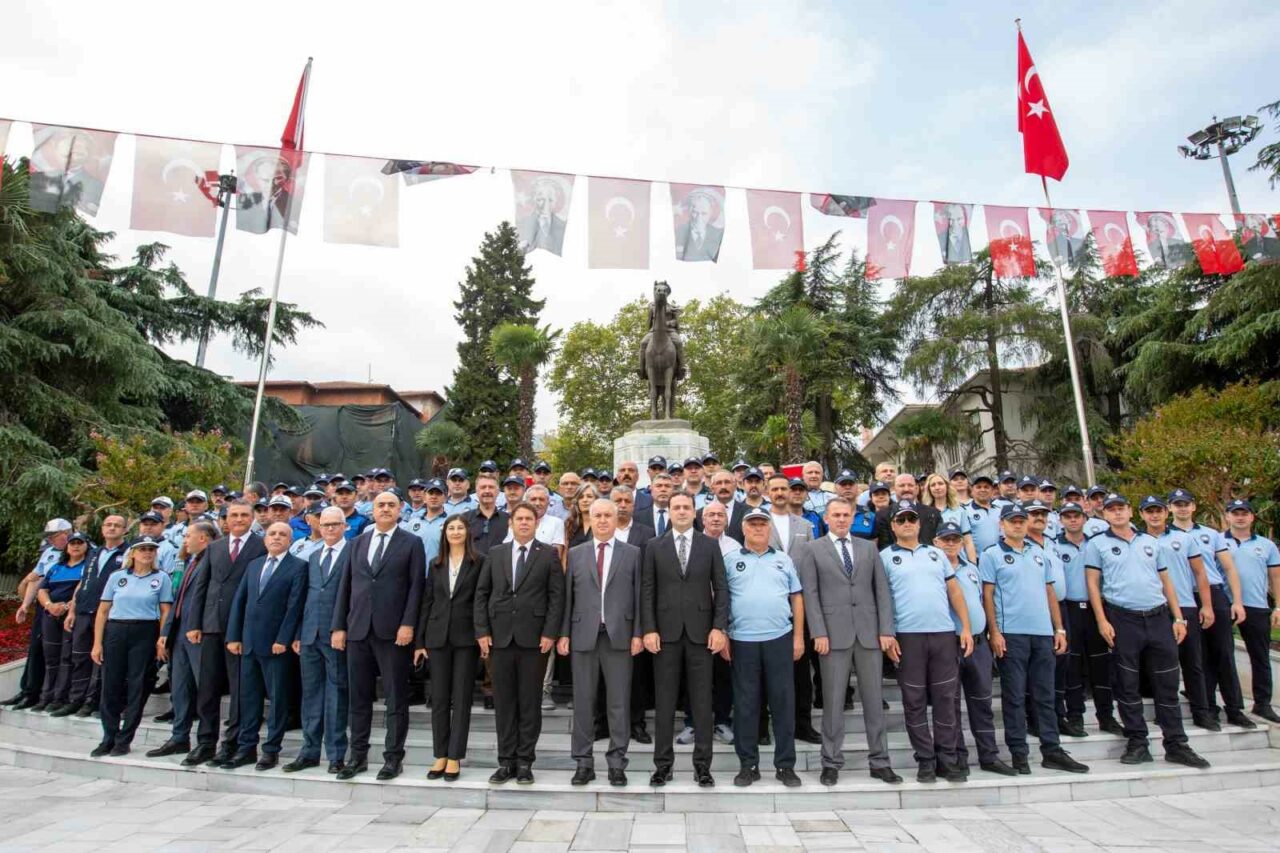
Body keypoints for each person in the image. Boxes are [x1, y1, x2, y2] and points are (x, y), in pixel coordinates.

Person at [1085, 493, 1210, 768]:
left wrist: (1178, 618)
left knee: (1167, 683)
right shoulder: (1097, 544)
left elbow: (1166, 581)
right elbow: (1093, 584)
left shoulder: (1150, 543)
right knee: (1127, 684)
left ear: (1131, 511)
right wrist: (1102, 620)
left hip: (1157, 616)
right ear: (1104, 514)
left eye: (1121, 508)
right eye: (1111, 509)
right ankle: (1137, 741)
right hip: (1122, 617)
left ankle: (1176, 743)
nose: (1117, 513)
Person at [795, 497, 902, 786]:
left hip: (869, 634)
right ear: (826, 518)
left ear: (852, 517)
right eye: (836, 515)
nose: (841, 519)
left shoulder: (868, 548)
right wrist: (818, 632)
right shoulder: (812, 549)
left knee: (874, 702)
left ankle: (880, 761)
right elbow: (810, 594)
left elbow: (882, 591)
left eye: (846, 515)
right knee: (833, 703)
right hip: (832, 635)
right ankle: (831, 762)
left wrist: (886, 629)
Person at [980, 503, 1088, 774]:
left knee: (1045, 695)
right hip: (1011, 634)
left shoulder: (1039, 552)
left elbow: (1049, 591)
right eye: (1012, 521)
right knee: (1015, 696)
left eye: (1021, 520)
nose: (1017, 525)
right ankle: (1019, 753)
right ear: (1002, 525)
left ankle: (1052, 750)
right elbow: (987, 595)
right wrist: (994, 631)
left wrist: (1059, 628)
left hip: (1042, 633)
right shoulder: (992, 554)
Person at [331, 490, 425, 781]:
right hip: (358, 630)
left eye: (390, 505)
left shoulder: (412, 543)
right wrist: (339, 626)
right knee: (358, 698)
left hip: (393, 632)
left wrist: (408, 624)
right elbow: (345, 586)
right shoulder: (357, 543)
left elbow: (416, 588)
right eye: (380, 505)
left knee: (395, 698)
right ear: (372, 509)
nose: (385, 509)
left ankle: (393, 758)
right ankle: (357, 757)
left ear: (399, 509)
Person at [880, 504, 973, 782]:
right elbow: (881, 601)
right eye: (901, 520)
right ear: (893, 526)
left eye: (912, 519)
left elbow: (954, 591)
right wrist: (888, 635)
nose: (907, 523)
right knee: (914, 701)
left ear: (919, 524)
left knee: (946, 699)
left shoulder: (936, 554)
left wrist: (966, 627)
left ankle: (947, 759)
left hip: (943, 634)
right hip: (908, 637)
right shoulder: (885, 557)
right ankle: (925, 760)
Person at [641, 491, 728, 788]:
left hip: (702, 635)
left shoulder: (709, 545)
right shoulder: (654, 545)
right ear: (669, 511)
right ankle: (662, 766)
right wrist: (649, 629)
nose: (681, 511)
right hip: (664, 636)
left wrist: (719, 628)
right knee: (665, 703)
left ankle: (703, 767)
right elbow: (647, 590)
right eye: (676, 507)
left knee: (702, 703)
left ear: (694, 512)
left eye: (686, 507)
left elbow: (722, 588)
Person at [475, 502, 564, 785]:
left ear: (536, 523)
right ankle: (506, 762)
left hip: (534, 640)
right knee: (504, 703)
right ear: (510, 523)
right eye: (519, 518)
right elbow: (482, 594)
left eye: (529, 519)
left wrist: (550, 633)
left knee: (529, 703)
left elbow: (556, 597)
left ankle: (525, 762)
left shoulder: (548, 554)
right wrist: (482, 631)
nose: (524, 522)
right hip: (499, 639)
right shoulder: (496, 553)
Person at [559, 498, 644, 787]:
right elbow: (568, 597)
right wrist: (564, 634)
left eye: (608, 515)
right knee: (583, 702)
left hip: (619, 637)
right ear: (590, 519)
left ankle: (617, 763)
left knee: (618, 703)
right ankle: (583, 763)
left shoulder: (632, 553)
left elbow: (639, 596)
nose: (603, 520)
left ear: (616, 518)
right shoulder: (576, 553)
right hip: (583, 636)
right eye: (598, 516)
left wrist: (638, 633)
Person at [724, 507, 806, 789]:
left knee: (783, 703)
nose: (758, 528)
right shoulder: (730, 560)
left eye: (762, 524)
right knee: (746, 705)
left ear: (769, 528)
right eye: (752, 524)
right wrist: (723, 634)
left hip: (779, 639)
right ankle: (748, 765)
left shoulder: (783, 559)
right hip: (742, 640)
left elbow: (797, 598)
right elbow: (721, 599)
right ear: (743, 529)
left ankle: (785, 765)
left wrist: (798, 637)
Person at [182, 499, 266, 768]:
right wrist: (194, 623)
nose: (239, 520)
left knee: (241, 691)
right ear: (226, 520)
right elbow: (202, 586)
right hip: (211, 627)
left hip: (241, 630)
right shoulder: (215, 547)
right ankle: (205, 743)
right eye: (234, 515)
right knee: (207, 689)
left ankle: (234, 744)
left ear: (252, 518)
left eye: (244, 515)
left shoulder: (260, 546)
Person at [1167, 489, 1254, 729]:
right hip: (1185, 597)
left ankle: (1234, 708)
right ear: (1170, 508)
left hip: (1213, 594)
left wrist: (1236, 601)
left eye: (1186, 504)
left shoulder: (1210, 534)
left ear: (1193, 506)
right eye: (1177, 504)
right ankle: (1207, 707)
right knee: (1196, 657)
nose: (1182, 508)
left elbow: (1229, 568)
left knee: (1224, 653)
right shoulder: (1163, 536)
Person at [224, 522, 307, 770]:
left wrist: (283, 639)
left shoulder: (298, 567)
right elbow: (240, 601)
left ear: (290, 540)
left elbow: (295, 606)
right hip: (248, 644)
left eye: (282, 534)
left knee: (278, 701)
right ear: (265, 539)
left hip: (276, 646)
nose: (276, 537)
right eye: (272, 534)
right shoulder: (254, 565)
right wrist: (234, 636)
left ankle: (271, 750)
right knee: (249, 699)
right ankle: (246, 748)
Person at [935, 522, 1015, 776]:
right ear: (936, 542)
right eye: (945, 539)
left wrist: (992, 631)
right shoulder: (933, 569)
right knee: (950, 705)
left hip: (979, 643)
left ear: (962, 542)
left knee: (982, 702)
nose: (950, 544)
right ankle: (957, 757)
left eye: (955, 539)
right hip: (950, 643)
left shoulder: (972, 568)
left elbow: (982, 600)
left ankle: (989, 755)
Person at [413, 514, 482, 781]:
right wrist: (420, 642)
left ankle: (454, 756)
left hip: (466, 638)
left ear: (467, 532)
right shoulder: (436, 564)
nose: (455, 532)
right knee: (439, 699)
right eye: (451, 528)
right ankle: (440, 754)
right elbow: (427, 602)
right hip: (437, 637)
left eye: (460, 528)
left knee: (462, 699)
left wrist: (482, 634)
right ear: (445, 533)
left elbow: (481, 600)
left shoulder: (480, 562)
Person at [89, 536, 172, 757]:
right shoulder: (118, 577)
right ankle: (109, 736)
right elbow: (103, 611)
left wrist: (162, 639)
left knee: (138, 685)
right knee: (111, 684)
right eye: (142, 549)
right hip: (116, 630)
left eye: (151, 549)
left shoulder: (161, 578)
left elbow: (165, 611)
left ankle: (125, 738)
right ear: (133, 553)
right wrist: (97, 643)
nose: (147, 553)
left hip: (145, 631)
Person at [282, 507, 351, 773]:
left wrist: (341, 628)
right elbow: (305, 597)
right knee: (310, 695)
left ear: (344, 526)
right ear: (318, 527)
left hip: (336, 635)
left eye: (335, 524)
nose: (330, 529)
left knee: (336, 696)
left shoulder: (352, 553)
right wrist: (299, 633)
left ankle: (336, 754)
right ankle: (309, 752)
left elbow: (352, 596)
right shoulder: (312, 556)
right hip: (310, 635)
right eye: (326, 525)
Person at [1140, 496, 1217, 730]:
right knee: (1162, 665)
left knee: (1193, 662)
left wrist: (1206, 605)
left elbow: (1200, 573)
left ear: (1166, 512)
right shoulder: (1137, 541)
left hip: (1185, 604)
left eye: (1158, 511)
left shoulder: (1184, 538)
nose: (1154, 515)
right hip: (1156, 608)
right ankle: (1165, 712)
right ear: (1142, 514)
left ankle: (1201, 711)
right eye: (1149, 511)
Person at [148, 521, 218, 757]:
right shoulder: (191, 562)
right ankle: (179, 737)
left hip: (199, 635)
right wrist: (166, 633)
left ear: (203, 538)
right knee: (180, 689)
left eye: (189, 536)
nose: (185, 541)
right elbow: (178, 600)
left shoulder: (213, 561)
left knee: (205, 691)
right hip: (179, 635)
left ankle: (206, 742)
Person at [1056, 502, 1122, 735]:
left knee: (1101, 664)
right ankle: (1075, 715)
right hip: (1070, 608)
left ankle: (1106, 716)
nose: (1073, 520)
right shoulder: (1054, 545)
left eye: (1076, 516)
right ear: (1061, 520)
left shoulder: (1097, 544)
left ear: (1085, 519)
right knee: (1072, 666)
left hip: (1096, 609)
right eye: (1067, 516)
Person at [60, 515, 127, 718]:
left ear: (125, 530)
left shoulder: (129, 552)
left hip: (109, 614)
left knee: (102, 659)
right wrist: (72, 610)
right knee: (80, 657)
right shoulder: (94, 552)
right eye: (108, 525)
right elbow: (83, 582)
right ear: (102, 528)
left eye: (117, 525)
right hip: (84, 611)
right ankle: (76, 700)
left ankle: (95, 702)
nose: (112, 528)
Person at [1221, 499, 1280, 723]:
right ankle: (1229, 704)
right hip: (1224, 605)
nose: (1240, 517)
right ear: (1228, 516)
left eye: (1244, 513)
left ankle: (1262, 704)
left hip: (1256, 606)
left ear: (1251, 517)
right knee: (1222, 655)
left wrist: (1278, 606)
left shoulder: (1266, 545)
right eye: (1235, 513)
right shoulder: (1217, 541)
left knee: (1260, 657)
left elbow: (1275, 577)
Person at [34, 531, 92, 711]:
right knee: (51, 658)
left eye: (80, 543)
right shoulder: (56, 567)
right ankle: (46, 696)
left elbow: (82, 591)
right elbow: (42, 590)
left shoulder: (88, 568)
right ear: (67, 547)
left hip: (71, 615)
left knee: (67, 658)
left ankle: (61, 698)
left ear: (86, 546)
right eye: (72, 543)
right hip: (51, 615)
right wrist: (50, 605)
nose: (76, 546)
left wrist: (66, 607)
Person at [921, 473, 977, 562]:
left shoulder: (959, 510)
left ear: (947, 486)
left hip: (958, 562)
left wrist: (973, 565)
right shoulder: (923, 512)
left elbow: (968, 541)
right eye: (933, 485)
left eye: (940, 483)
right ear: (929, 489)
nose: (937, 487)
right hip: (933, 562)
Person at [875, 474, 942, 547]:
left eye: (910, 485)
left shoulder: (933, 513)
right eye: (902, 486)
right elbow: (884, 546)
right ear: (894, 489)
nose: (906, 489)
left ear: (916, 488)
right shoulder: (882, 515)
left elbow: (939, 542)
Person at [401, 478, 449, 565]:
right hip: (416, 572)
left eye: (438, 493)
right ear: (424, 497)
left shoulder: (451, 523)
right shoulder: (412, 524)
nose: (434, 496)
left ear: (445, 498)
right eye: (431, 493)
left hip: (441, 571)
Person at [464, 472, 509, 555]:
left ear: (498, 492)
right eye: (483, 487)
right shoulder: (465, 519)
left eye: (491, 487)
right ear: (476, 491)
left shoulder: (508, 519)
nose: (487, 491)